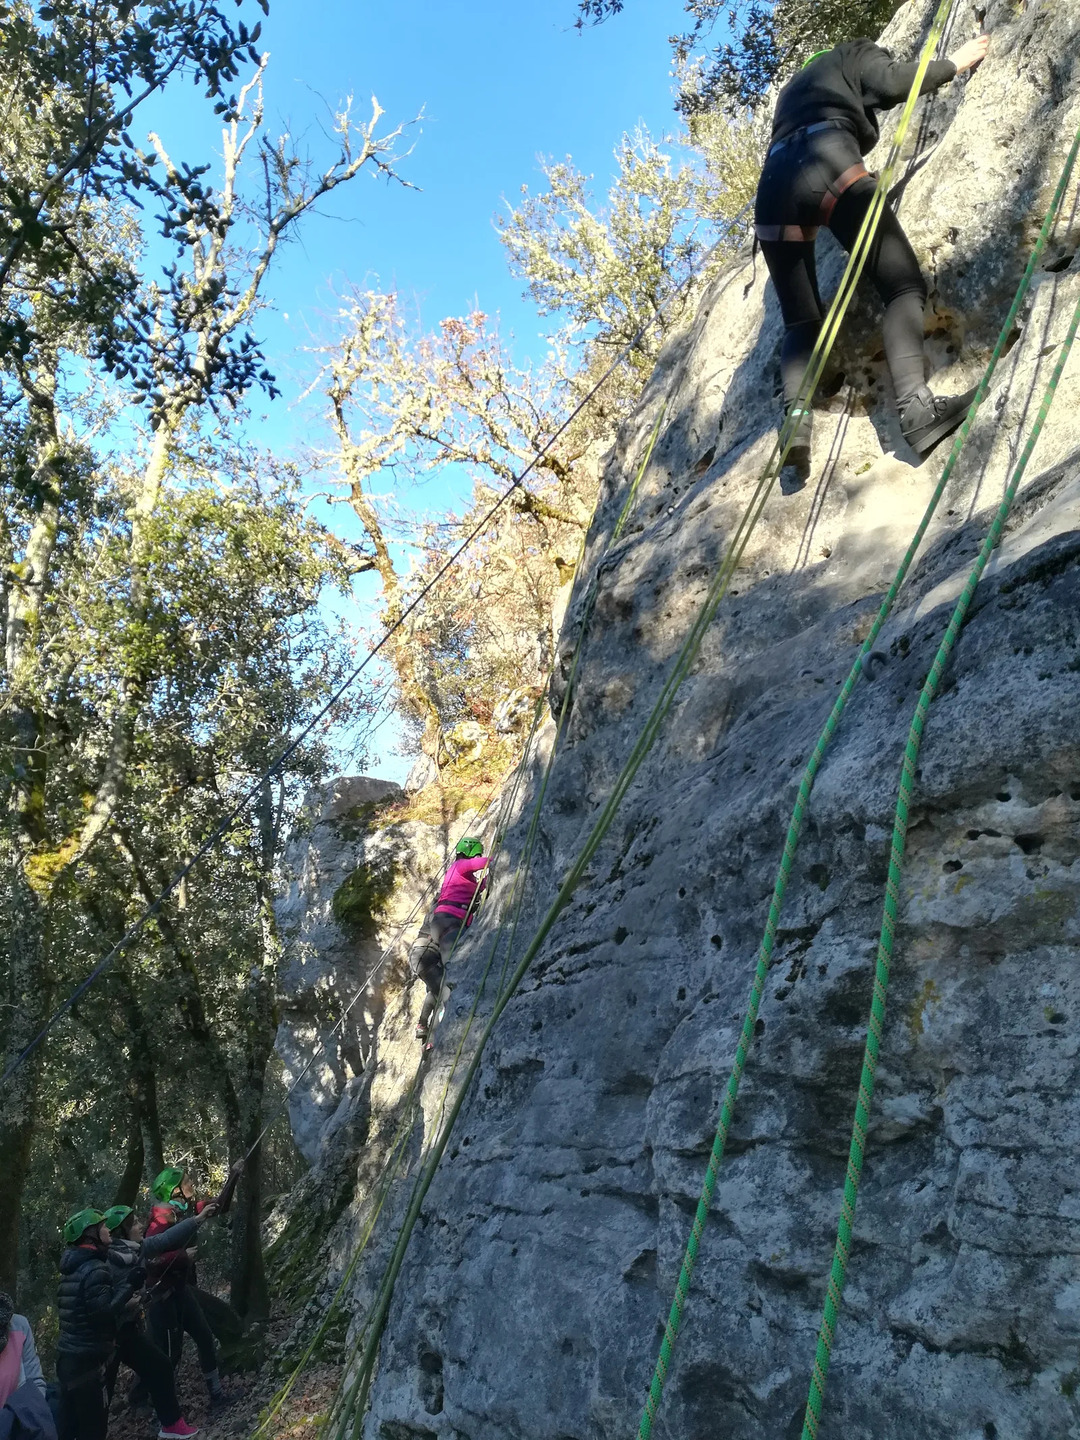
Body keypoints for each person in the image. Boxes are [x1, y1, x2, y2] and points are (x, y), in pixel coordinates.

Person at [753, 31, 991, 475]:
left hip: (772, 191)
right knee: (901, 286)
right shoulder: (851, 51)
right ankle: (917, 413)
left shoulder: (791, 91)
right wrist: (954, 63)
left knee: (801, 322)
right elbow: (891, 83)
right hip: (829, 161)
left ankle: (795, 426)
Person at [102, 1204, 212, 1439]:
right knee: (100, 1397)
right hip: (107, 1340)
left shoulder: (138, 1249)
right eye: (134, 1224)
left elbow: (165, 1239)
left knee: (160, 1365)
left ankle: (171, 1425)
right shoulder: (106, 1263)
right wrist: (127, 1304)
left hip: (129, 1332)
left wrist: (197, 1219)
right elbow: (101, 1306)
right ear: (122, 1231)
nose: (141, 1225)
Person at [144, 1166, 240, 1410]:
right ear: (174, 1191)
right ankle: (159, 1411)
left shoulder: (184, 1211)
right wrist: (182, 1257)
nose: (191, 1184)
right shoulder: (159, 1221)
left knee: (205, 1337)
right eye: (186, 1182)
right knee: (167, 1357)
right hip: (162, 1300)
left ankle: (216, 1396)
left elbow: (220, 1205)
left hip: (180, 1291)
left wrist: (234, 1175)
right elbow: (148, 1260)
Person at [55, 1210, 140, 1440]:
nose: (109, 1232)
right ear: (91, 1236)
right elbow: (104, 1313)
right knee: (93, 1431)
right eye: (104, 1228)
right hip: (87, 1364)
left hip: (68, 1362)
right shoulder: (94, 1268)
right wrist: (130, 1285)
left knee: (68, 1429)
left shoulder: (70, 1269)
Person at [411, 837, 488, 1042]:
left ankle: (425, 1028)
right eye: (477, 853)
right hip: (447, 925)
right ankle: (444, 1032)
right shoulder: (459, 866)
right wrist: (494, 858)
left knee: (439, 987)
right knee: (451, 981)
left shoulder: (462, 881)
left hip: (440, 931)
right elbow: (477, 864)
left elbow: (480, 887)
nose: (479, 857)